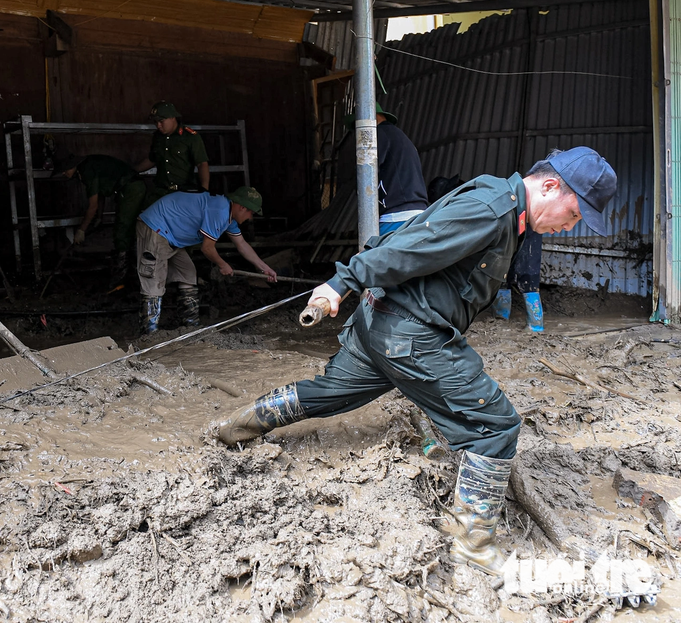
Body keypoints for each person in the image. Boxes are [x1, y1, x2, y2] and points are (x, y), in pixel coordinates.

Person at [213, 146, 617, 575]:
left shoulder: (504, 209)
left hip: (381, 322)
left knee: (330, 393)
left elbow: (414, 239)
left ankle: (232, 428)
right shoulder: (491, 209)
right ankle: (474, 545)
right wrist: (341, 281)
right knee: (496, 425)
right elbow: (409, 245)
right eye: (573, 215)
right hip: (410, 332)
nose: (567, 228)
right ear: (552, 186)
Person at [136, 187, 278, 333]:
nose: (250, 218)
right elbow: (207, 248)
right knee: (154, 279)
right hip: (156, 226)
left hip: (172, 236)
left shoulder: (229, 216)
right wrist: (223, 265)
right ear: (242, 207)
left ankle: (189, 327)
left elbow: (242, 244)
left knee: (188, 274)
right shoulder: (220, 210)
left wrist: (265, 268)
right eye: (251, 213)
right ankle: (149, 334)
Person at [55, 154, 146, 289]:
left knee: (123, 228)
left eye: (65, 169)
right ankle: (131, 273)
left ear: (73, 166)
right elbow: (100, 195)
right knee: (126, 227)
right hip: (131, 187)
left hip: (131, 188)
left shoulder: (87, 170)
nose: (64, 173)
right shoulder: (88, 166)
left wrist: (81, 230)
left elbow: (93, 205)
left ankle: (123, 276)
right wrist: (99, 217)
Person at [135, 101, 209, 205]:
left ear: (172, 117)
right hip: (160, 192)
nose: (158, 125)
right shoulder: (157, 137)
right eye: (155, 122)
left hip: (184, 192)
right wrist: (133, 170)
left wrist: (204, 191)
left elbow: (202, 164)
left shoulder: (190, 137)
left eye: (161, 121)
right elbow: (152, 159)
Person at [371, 103, 428, 234]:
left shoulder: (379, 135)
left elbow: (367, 174)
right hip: (418, 213)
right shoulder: (400, 137)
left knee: (376, 252)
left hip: (396, 217)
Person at [493, 231, 545, 331]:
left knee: (524, 268)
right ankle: (534, 324)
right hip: (519, 222)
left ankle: (534, 325)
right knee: (505, 266)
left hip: (523, 220)